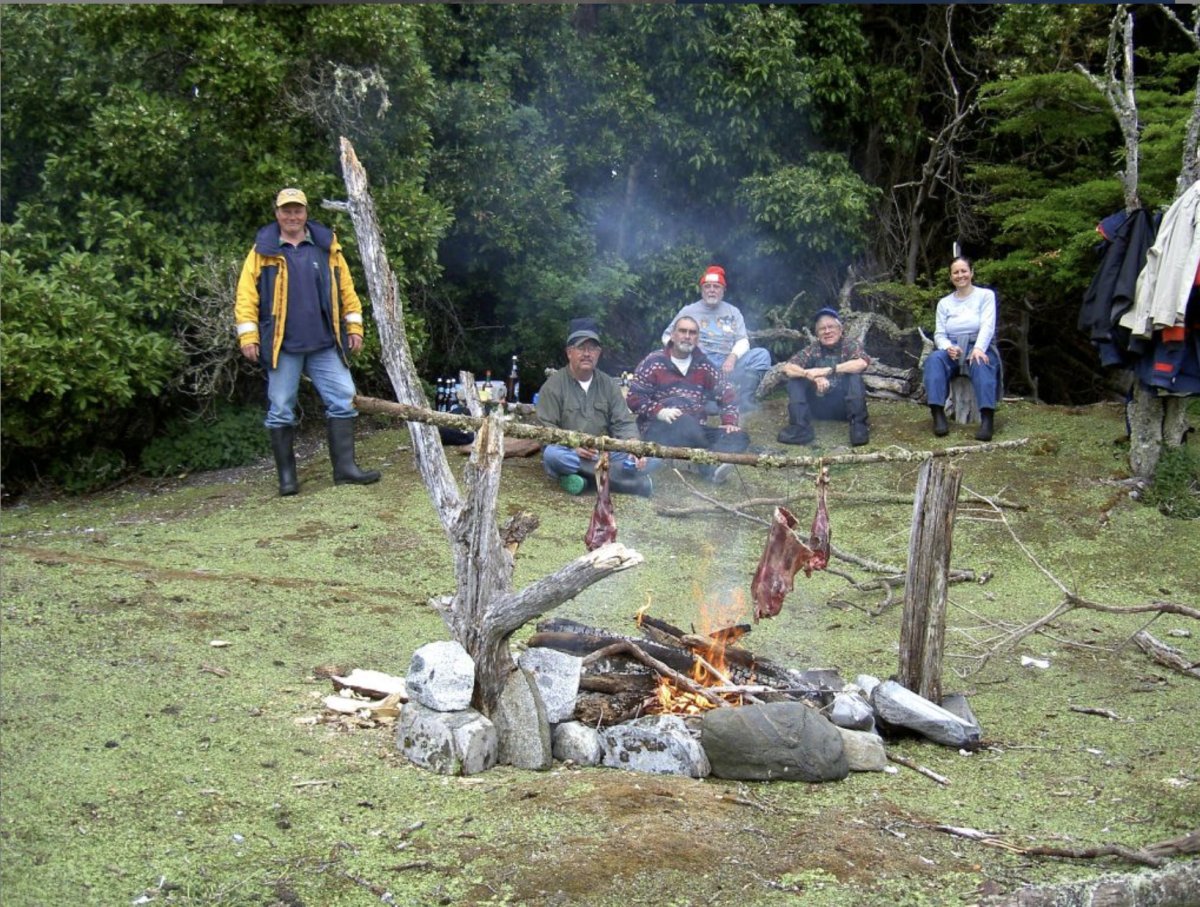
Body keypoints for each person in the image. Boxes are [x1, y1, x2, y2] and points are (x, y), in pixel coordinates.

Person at [234, 187, 380, 496]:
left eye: (297, 210)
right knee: (281, 409)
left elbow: (347, 291)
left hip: (325, 344)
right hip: (282, 348)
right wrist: (248, 336)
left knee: (344, 399)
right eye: (286, 210)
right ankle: (288, 480)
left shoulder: (327, 247)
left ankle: (345, 470)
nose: (292, 216)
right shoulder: (263, 250)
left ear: (305, 213)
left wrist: (355, 328)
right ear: (277, 214)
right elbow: (246, 297)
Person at [536, 317, 655, 497]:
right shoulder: (552, 386)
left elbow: (623, 423)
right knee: (553, 456)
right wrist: (573, 446)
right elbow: (546, 430)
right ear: (569, 352)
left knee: (654, 457)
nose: (587, 353)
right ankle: (619, 479)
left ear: (598, 353)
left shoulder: (608, 384)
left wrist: (633, 445)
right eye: (581, 348)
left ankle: (586, 479)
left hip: (604, 453)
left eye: (592, 348)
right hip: (571, 453)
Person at [627, 316, 750, 484]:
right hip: (659, 429)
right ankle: (707, 465)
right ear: (672, 335)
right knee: (684, 421)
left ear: (697, 338)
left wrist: (730, 421)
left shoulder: (704, 365)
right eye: (682, 331)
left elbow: (727, 393)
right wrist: (659, 411)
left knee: (740, 437)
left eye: (692, 333)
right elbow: (633, 397)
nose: (687, 336)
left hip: (696, 430)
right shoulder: (653, 361)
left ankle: (697, 463)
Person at [661, 265, 772, 411]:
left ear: (723, 290)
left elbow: (742, 340)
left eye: (716, 286)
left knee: (761, 355)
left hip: (729, 364)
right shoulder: (688, 311)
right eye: (707, 286)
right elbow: (667, 336)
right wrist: (689, 352)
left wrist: (732, 357)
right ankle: (706, 399)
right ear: (702, 289)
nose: (711, 290)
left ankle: (745, 399)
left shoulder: (733, 312)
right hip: (699, 362)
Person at [924, 257, 1000, 441]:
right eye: (955, 272)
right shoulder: (944, 303)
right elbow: (939, 334)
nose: (960, 275)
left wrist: (979, 348)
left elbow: (988, 325)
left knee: (981, 363)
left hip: (978, 344)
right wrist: (948, 347)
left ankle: (987, 420)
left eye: (964, 271)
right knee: (934, 360)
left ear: (971, 272)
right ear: (951, 277)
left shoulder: (985, 295)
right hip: (954, 346)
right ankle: (938, 414)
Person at [777, 307, 870, 447]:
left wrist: (828, 371)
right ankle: (800, 427)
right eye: (822, 329)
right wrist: (809, 375)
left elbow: (862, 363)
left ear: (840, 329)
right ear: (817, 334)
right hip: (818, 407)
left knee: (854, 377)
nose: (827, 331)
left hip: (844, 407)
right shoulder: (813, 348)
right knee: (795, 380)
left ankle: (858, 427)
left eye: (831, 327)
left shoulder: (850, 344)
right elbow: (788, 367)